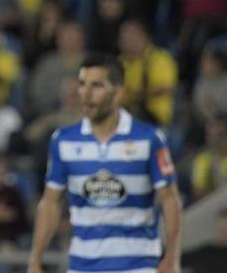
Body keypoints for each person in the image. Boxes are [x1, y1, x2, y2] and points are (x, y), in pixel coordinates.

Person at [28, 53, 182, 273]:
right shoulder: (63, 141)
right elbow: (51, 202)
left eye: (97, 85)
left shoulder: (149, 139)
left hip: (138, 265)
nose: (86, 94)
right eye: (82, 84)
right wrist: (35, 259)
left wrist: (172, 257)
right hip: (82, 265)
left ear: (118, 92)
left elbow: (170, 198)